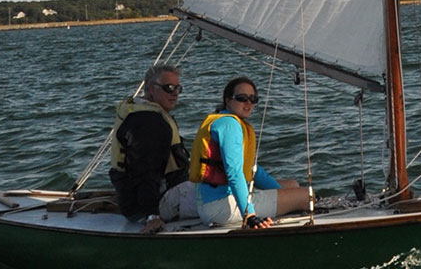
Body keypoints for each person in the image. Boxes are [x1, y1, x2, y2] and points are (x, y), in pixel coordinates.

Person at [189, 76, 311, 229]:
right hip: (221, 208)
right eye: (241, 98)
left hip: (212, 205)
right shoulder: (230, 125)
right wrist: (250, 215)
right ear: (227, 100)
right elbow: (234, 173)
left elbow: (255, 172)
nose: (248, 103)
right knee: (307, 196)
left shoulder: (224, 120)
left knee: (293, 185)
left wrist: (284, 194)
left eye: (252, 99)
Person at [109, 64, 195, 234]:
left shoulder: (141, 112)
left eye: (178, 88)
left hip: (150, 198)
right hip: (151, 205)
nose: (175, 93)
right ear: (150, 89)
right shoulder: (148, 123)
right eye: (168, 88)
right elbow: (144, 170)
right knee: (225, 201)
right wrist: (151, 215)